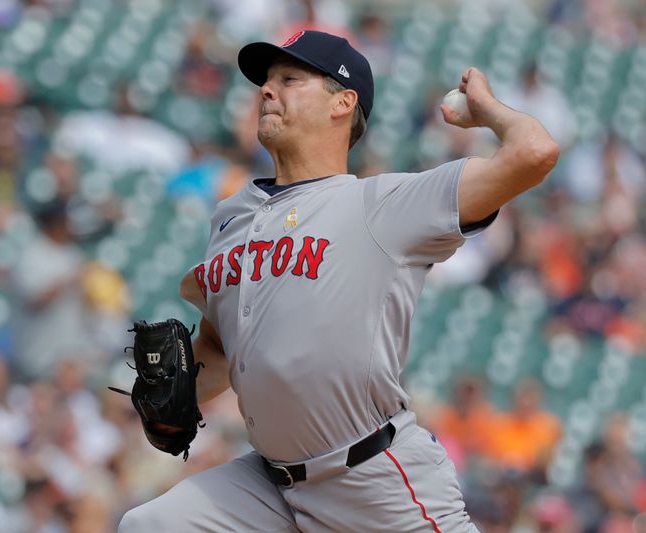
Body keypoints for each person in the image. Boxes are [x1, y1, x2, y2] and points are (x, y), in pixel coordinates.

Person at [119, 29, 559, 532]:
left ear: (343, 103)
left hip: (372, 481)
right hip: (269, 489)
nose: (267, 90)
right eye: (266, 81)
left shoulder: (383, 204)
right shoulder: (230, 217)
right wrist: (176, 397)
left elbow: (534, 152)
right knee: (152, 525)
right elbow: (219, 348)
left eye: (289, 79)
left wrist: (488, 111)